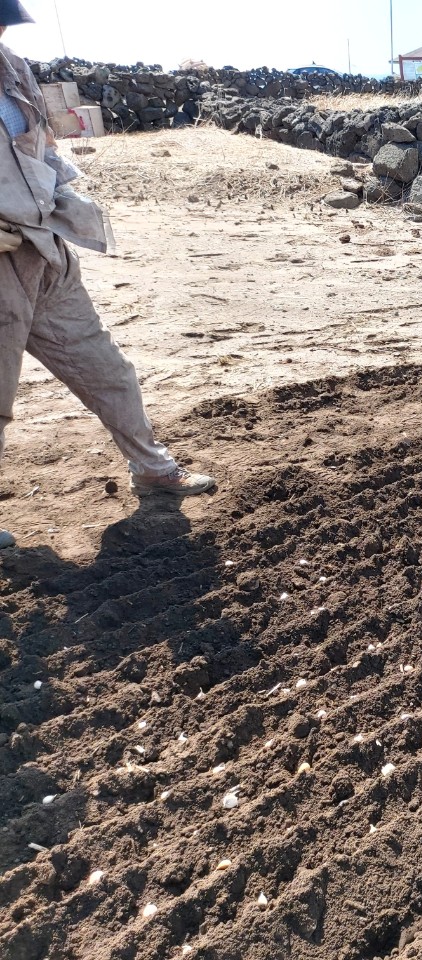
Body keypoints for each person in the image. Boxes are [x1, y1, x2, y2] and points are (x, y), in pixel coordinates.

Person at [1, 0, 214, 551]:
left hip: (44, 249)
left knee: (108, 369)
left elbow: (42, 147)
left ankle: (151, 467)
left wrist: (66, 196)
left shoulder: (13, 69)